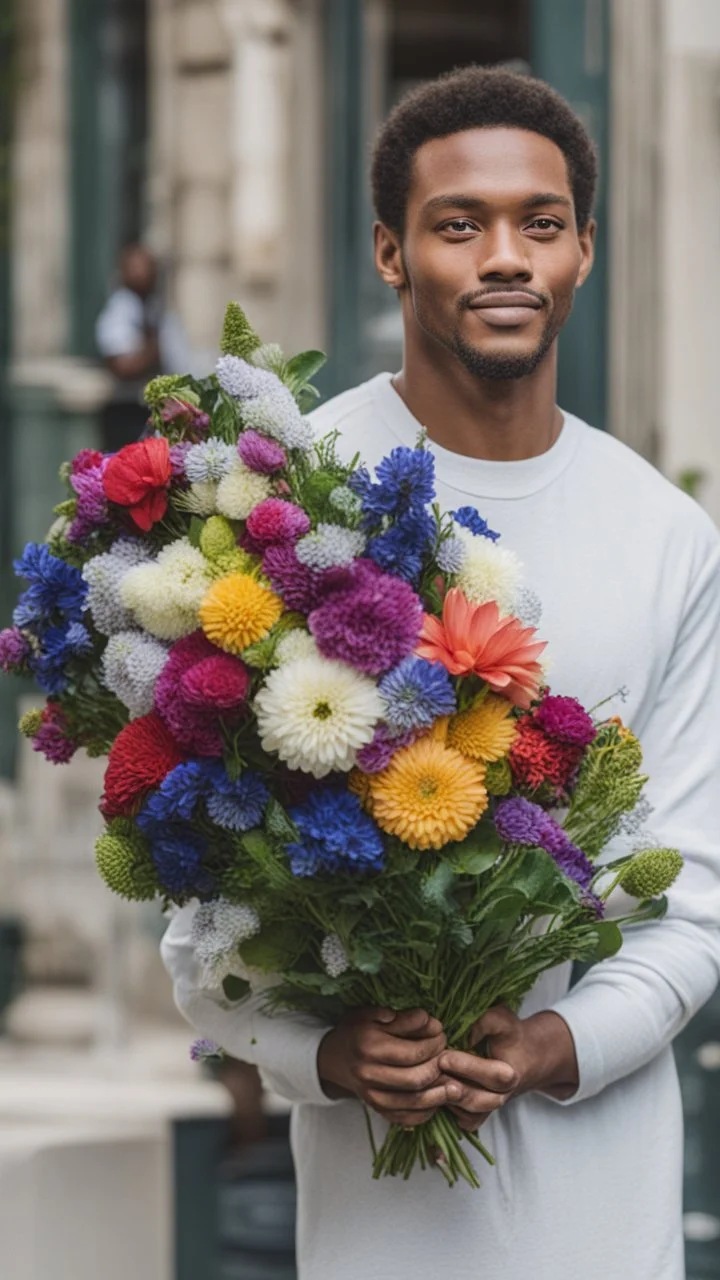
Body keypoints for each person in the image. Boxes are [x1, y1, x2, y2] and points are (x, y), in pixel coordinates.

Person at [160, 67, 720, 1280]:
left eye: (542, 222)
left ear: (583, 251)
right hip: (375, 1224)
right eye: (459, 224)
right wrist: (325, 1054)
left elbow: (698, 898)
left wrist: (552, 1040)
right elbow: (199, 926)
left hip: (604, 1220)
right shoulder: (293, 499)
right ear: (392, 253)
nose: (505, 254)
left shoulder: (666, 532)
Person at [96, 244, 194, 451]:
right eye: (136, 268)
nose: (144, 274)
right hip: (128, 413)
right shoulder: (119, 311)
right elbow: (123, 367)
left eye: (148, 267)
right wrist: (152, 347)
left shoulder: (159, 310)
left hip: (160, 413)